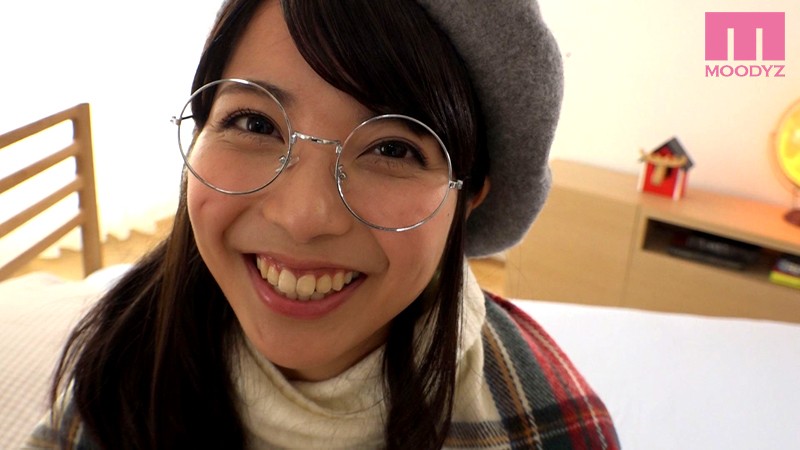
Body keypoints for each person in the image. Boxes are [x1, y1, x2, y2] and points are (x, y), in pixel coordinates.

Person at [26, 0, 619, 448]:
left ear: (467, 202)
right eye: (255, 124)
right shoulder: (123, 362)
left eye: (393, 149)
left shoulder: (547, 423)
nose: (302, 218)